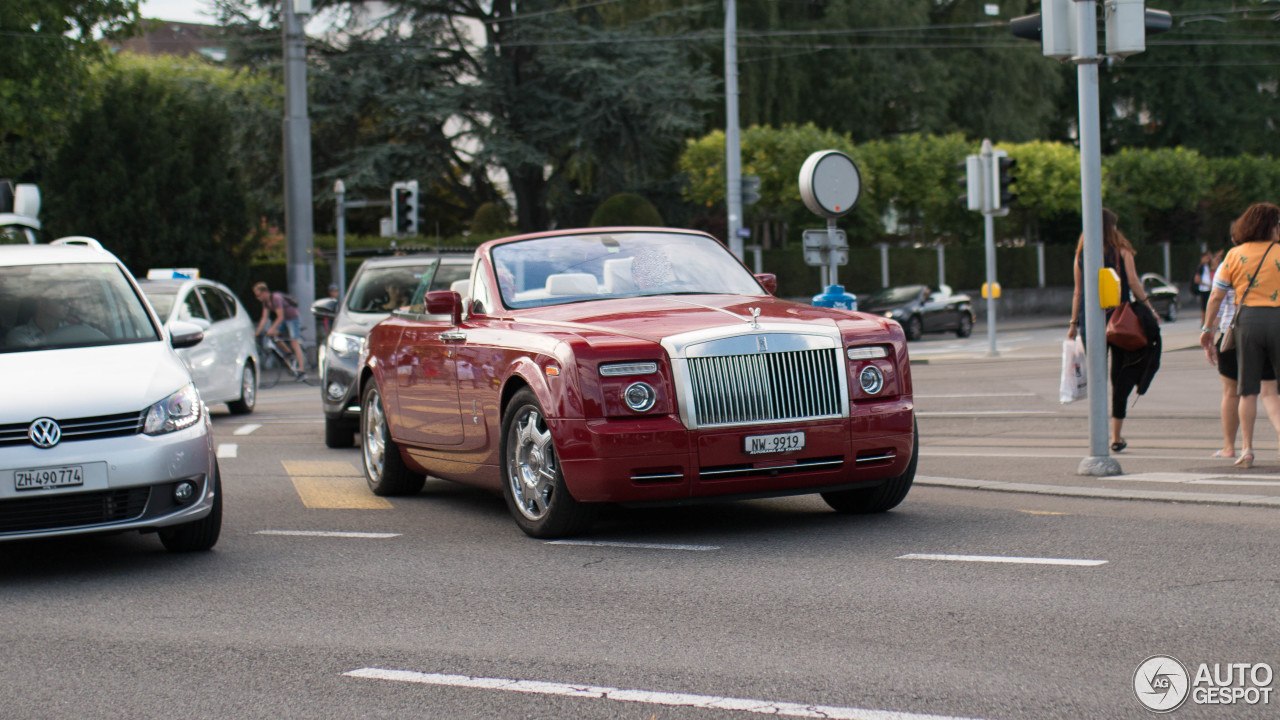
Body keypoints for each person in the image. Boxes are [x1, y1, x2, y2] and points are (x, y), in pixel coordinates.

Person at [1067, 208, 1161, 453]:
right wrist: (1149, 308)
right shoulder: (1122, 251)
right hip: (1121, 323)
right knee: (1119, 379)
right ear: (1110, 227)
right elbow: (1133, 282)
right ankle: (1115, 436)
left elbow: (1078, 292)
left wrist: (1073, 324)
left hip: (1091, 323)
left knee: (1096, 379)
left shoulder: (1082, 254)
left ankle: (1096, 434)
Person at [1199, 202, 1280, 468]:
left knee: (1246, 391)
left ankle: (1245, 448)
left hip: (1247, 321)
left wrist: (1207, 329)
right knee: (1273, 391)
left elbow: (1216, 296)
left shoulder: (1234, 255)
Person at [253, 281, 306, 371]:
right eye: (256, 296)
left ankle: (302, 370)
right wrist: (257, 333)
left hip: (292, 318)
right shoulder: (265, 302)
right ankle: (289, 354)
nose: (258, 298)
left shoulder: (276, 298)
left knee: (294, 343)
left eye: (259, 295)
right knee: (274, 336)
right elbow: (264, 318)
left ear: (265, 292)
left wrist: (271, 329)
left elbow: (280, 317)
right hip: (284, 319)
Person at [1193, 250, 1214, 325]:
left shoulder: (1207, 266)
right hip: (1204, 290)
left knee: (1208, 306)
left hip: (1208, 289)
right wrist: (1206, 284)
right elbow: (1197, 279)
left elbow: (1214, 265)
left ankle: (1207, 322)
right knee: (1204, 307)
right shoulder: (1200, 267)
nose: (1208, 260)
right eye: (1206, 258)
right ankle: (1203, 323)